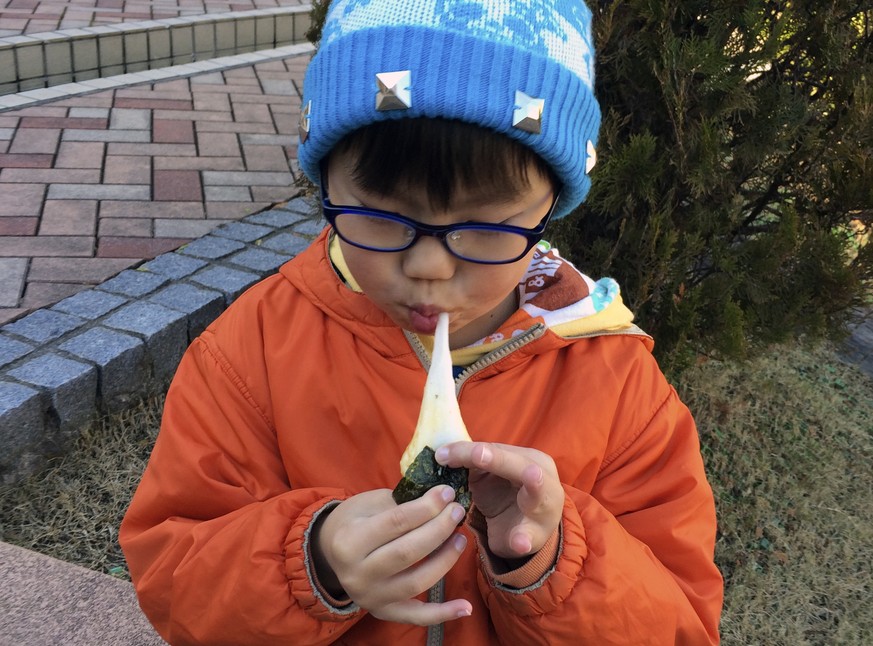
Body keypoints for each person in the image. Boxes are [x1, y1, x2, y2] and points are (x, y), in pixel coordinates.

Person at [120, 1, 724, 644]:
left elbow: (681, 622)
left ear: (550, 205)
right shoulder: (254, 349)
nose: (430, 267)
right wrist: (315, 562)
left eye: (486, 225)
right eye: (384, 216)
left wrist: (547, 558)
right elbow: (173, 572)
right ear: (325, 183)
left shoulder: (615, 380)